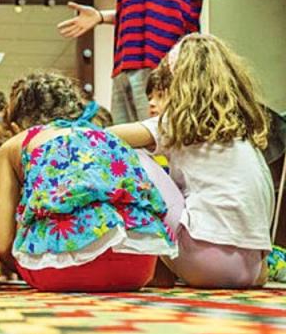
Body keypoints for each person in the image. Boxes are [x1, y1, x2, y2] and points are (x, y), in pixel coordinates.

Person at [111, 34, 273, 288]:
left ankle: (151, 270)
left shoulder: (175, 124)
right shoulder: (243, 136)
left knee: (131, 157)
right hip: (251, 269)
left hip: (203, 264)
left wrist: (61, 132)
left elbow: (107, 136)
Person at [0, 71, 175, 292]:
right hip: (137, 266)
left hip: (58, 272)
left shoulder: (15, 145)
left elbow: (2, 245)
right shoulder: (107, 136)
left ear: (16, 126)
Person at [58, 0, 224, 124]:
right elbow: (139, 8)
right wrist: (101, 16)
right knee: (124, 141)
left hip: (164, 61)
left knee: (164, 137)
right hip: (123, 65)